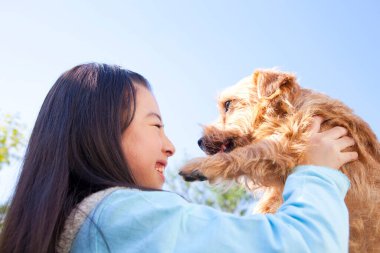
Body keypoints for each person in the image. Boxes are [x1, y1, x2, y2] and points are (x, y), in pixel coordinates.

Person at [0, 63, 357, 253]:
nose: (171, 146)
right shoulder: (120, 217)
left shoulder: (73, 228)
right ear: (102, 131)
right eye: (156, 125)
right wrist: (317, 173)